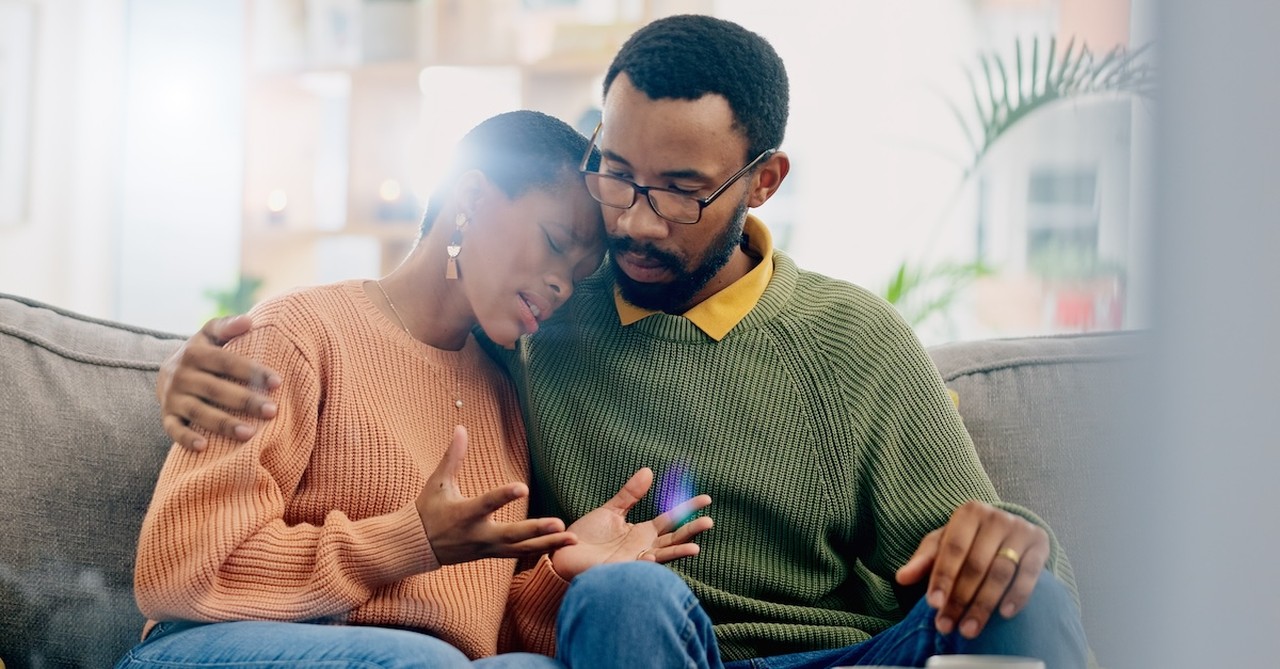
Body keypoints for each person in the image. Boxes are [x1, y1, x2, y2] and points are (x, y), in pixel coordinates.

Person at [155, 15, 1090, 669]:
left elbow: (968, 546)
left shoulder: (854, 342)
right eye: (616, 173)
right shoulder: (541, 323)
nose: (634, 223)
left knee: (1030, 593)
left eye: (681, 188)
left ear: (762, 182)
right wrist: (181, 367)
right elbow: (381, 339)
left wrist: (1014, 538)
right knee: (617, 599)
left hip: (841, 650)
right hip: (639, 636)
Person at [115, 110, 713, 669]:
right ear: (472, 198)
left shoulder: (502, 390)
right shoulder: (297, 335)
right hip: (211, 645)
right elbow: (184, 570)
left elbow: (475, 628)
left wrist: (560, 571)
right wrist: (409, 539)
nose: (561, 284)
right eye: (555, 242)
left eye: (580, 275)